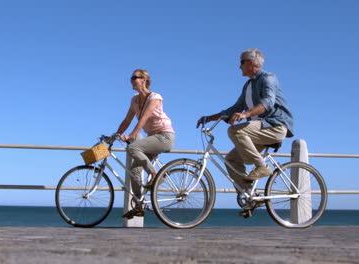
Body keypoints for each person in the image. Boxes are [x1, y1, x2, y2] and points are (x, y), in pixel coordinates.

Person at [197, 48, 294, 207]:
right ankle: (249, 195)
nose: (239, 67)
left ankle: (261, 167)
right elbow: (235, 107)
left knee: (236, 130)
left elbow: (268, 102)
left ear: (250, 63)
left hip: (275, 126)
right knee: (231, 160)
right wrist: (209, 118)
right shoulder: (248, 85)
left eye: (241, 62)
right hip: (260, 130)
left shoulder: (268, 78)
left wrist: (245, 114)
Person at [115, 69, 175, 218]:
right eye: (131, 77)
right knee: (134, 171)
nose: (131, 80)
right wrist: (114, 135)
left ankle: (156, 174)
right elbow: (127, 120)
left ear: (144, 80)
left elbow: (143, 119)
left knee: (133, 148)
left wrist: (131, 136)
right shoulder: (134, 100)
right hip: (152, 138)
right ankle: (139, 206)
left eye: (134, 77)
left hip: (164, 136)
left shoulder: (155, 97)